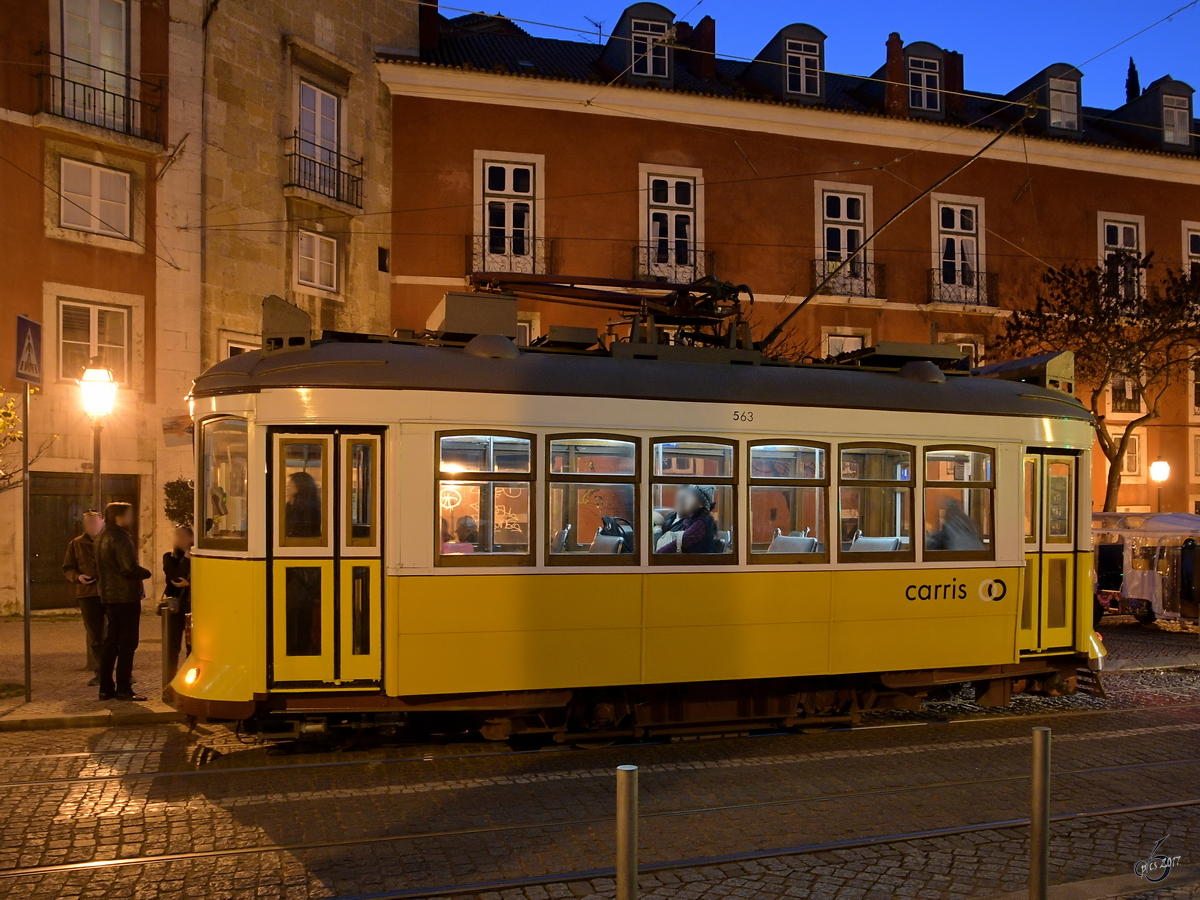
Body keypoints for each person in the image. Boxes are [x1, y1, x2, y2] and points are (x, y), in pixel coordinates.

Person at [94, 502, 152, 701]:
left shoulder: (100, 537)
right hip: (126, 597)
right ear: (118, 518)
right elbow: (128, 568)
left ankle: (105, 688)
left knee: (111, 642)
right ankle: (123, 688)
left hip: (109, 596)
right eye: (128, 515)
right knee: (127, 644)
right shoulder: (120, 538)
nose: (131, 519)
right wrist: (146, 573)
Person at [62, 510, 104, 686]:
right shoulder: (76, 544)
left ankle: (121, 672)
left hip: (110, 593)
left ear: (101, 522)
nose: (91, 526)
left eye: (94, 522)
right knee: (95, 635)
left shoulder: (110, 541)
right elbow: (68, 567)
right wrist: (78, 577)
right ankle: (100, 672)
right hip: (87, 594)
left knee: (115, 634)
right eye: (88, 523)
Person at [161, 525, 193, 678]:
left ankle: (189, 676)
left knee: (191, 644)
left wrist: (190, 584)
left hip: (191, 606)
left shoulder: (198, 557)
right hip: (174, 607)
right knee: (172, 645)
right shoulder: (169, 557)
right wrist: (187, 558)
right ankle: (170, 677)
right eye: (178, 536)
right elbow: (177, 578)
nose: (181, 539)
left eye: (185, 536)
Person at [655, 484, 721, 554]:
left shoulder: (702, 522)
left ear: (700, 504)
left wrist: (656, 556)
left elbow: (679, 543)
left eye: (690, 497)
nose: (686, 500)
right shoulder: (689, 518)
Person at [285, 471, 322, 538]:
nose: (287, 488)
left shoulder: (310, 508)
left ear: (300, 486)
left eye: (289, 484)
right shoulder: (289, 506)